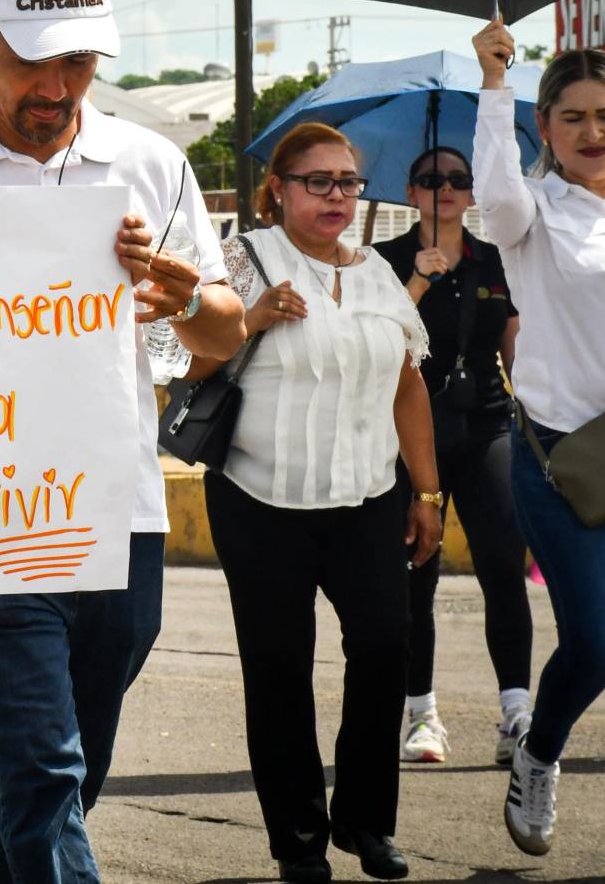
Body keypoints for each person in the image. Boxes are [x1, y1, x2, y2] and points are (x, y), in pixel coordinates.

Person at [0, 0, 246, 883]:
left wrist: (182, 293)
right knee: (44, 768)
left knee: (68, 775)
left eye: (79, 59)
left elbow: (222, 337)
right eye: (32, 58)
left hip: (120, 513)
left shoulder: (146, 161)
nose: (58, 86)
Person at [182, 121, 442, 883]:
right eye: (317, 181)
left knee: (384, 646)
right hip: (259, 497)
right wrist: (251, 319)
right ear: (279, 190)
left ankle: (367, 823)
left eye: (348, 182)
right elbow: (184, 360)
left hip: (364, 496)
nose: (336, 195)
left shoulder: (376, 275)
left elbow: (407, 385)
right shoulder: (242, 259)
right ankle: (298, 840)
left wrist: (425, 491)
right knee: (278, 668)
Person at [473, 19, 605, 877]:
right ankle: (538, 752)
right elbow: (491, 195)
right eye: (571, 118)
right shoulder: (530, 214)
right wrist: (495, 88)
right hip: (567, 459)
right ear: (545, 127)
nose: (593, 132)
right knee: (600, 638)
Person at [373, 146, 533, 766]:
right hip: (409, 432)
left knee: (502, 566)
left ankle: (517, 713)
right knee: (418, 574)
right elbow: (375, 340)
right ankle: (423, 716)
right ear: (410, 192)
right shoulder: (383, 261)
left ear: (472, 194)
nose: (445, 188)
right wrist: (417, 281)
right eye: (430, 179)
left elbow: (518, 349)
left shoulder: (498, 261)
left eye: (458, 180)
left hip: (487, 426)